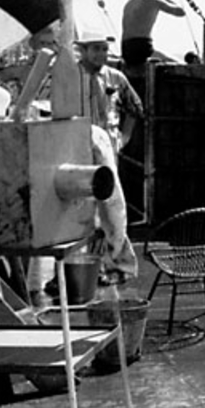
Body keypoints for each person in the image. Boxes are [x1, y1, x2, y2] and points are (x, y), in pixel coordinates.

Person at [75, 27, 141, 282]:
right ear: (83, 50)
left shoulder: (116, 77)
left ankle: (115, 262)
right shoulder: (70, 77)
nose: (101, 54)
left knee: (111, 207)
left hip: (107, 149)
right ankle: (86, 266)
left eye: (104, 48)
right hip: (77, 148)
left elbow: (135, 107)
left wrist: (124, 137)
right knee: (81, 208)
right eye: (96, 48)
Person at [120, 0, 186, 68]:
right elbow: (181, 12)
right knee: (181, 65)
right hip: (141, 47)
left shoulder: (129, 3)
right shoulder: (152, 1)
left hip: (125, 48)